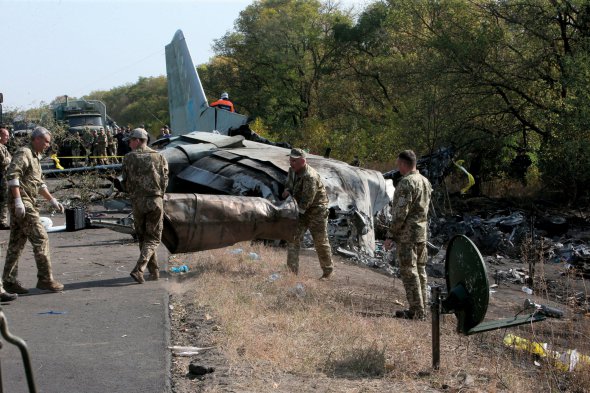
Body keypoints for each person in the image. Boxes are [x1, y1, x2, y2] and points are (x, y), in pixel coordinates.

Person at [2, 126, 65, 294]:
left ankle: (8, 281)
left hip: (27, 202)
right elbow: (12, 175)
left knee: (17, 243)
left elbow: (38, 183)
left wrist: (52, 200)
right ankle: (45, 279)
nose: (47, 145)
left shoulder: (36, 157)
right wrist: (18, 201)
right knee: (41, 238)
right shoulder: (25, 153)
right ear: (36, 139)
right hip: (23, 202)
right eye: (45, 141)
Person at [384, 150, 432, 320]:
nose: (398, 168)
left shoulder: (406, 183)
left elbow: (399, 214)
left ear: (404, 164)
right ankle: (422, 308)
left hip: (407, 235)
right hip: (421, 233)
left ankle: (417, 311)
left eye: (399, 164)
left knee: (409, 272)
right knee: (420, 271)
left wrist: (390, 235)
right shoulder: (425, 181)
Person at [121, 128, 168, 283]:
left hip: (137, 202)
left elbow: (125, 181)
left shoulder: (128, 158)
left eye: (131, 140)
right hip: (155, 200)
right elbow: (165, 179)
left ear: (138, 140)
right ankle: (141, 269)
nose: (129, 143)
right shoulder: (159, 156)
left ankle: (153, 272)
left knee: (143, 237)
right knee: (153, 238)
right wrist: (160, 194)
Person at [282, 148, 333, 279]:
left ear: (303, 161)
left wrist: (291, 212)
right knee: (293, 238)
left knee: (320, 241)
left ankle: (327, 271)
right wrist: (287, 190)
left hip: (316, 210)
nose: (291, 163)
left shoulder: (310, 177)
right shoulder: (292, 171)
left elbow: (306, 202)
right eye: (290, 160)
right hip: (300, 208)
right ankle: (291, 272)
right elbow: (288, 184)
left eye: (294, 161)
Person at [0, 128, 12, 229]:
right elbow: (3, 162)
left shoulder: (3, 147)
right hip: (2, 176)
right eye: (6, 135)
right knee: (3, 199)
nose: (8, 137)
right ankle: (2, 221)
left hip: (4, 175)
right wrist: (9, 159)